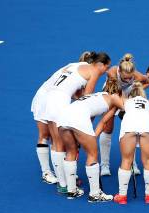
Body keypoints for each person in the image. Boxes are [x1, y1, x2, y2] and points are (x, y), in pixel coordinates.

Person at [42, 52, 111, 194]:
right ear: (100, 65)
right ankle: (65, 185)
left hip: (48, 98)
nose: (105, 71)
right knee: (61, 145)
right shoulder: (95, 71)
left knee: (56, 142)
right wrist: (84, 126)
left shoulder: (75, 65)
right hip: (60, 100)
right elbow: (87, 99)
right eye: (106, 67)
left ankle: (64, 184)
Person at [31, 52, 98, 185]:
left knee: (57, 138)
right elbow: (82, 98)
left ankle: (63, 174)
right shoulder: (85, 72)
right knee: (46, 136)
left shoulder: (73, 67)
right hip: (45, 97)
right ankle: (47, 172)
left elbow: (76, 95)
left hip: (51, 98)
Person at [59, 79, 124, 202]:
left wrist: (92, 137)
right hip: (78, 118)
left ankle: (71, 190)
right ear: (118, 93)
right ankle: (95, 194)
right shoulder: (115, 97)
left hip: (63, 117)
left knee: (70, 152)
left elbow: (94, 120)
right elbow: (125, 109)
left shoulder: (95, 96)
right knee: (92, 154)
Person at [99, 54, 149, 177]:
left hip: (128, 94)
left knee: (130, 129)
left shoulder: (136, 75)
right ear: (119, 72)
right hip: (111, 93)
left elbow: (148, 81)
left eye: (130, 78)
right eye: (125, 78)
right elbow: (117, 93)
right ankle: (104, 165)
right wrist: (125, 102)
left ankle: (132, 163)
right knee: (108, 128)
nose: (128, 80)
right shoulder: (112, 72)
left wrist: (136, 92)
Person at [113, 82, 149, 204]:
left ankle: (122, 196)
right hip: (147, 126)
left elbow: (120, 112)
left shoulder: (126, 101)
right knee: (148, 161)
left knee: (126, 160)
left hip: (129, 125)